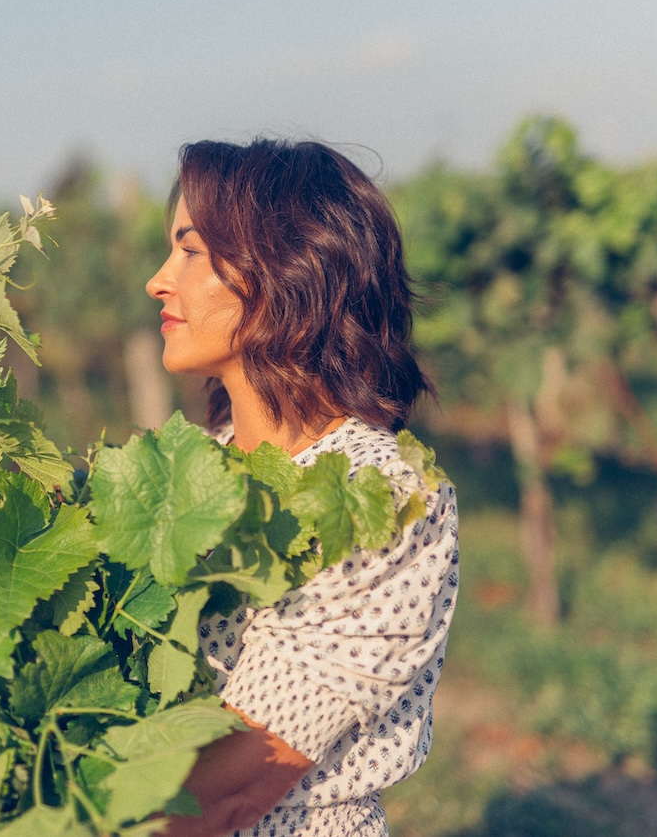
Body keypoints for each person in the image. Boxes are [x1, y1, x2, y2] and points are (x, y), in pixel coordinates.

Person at [144, 138, 460, 837]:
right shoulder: (193, 471)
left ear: (282, 269)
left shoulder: (384, 497)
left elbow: (226, 792)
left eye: (191, 251)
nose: (158, 281)